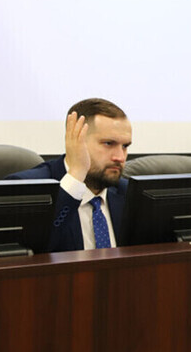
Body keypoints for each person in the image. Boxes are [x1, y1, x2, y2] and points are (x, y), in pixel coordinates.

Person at [7, 98, 132, 251]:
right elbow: (35, 251)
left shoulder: (129, 194)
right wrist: (76, 175)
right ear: (75, 141)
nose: (120, 157)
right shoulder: (26, 189)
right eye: (108, 143)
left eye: (125, 146)